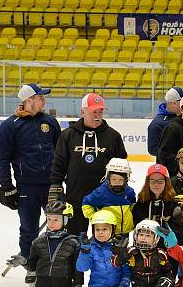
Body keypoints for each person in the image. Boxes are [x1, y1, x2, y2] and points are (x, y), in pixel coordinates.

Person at [0, 83, 61, 282]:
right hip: (27, 186)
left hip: (52, 184)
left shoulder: (50, 122)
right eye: (40, 97)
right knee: (29, 228)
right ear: (28, 100)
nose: (44, 100)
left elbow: (60, 154)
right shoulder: (11, 125)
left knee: (60, 223)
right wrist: (7, 187)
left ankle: (58, 263)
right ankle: (30, 264)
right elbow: (3, 159)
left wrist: (61, 179)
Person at [49, 93, 127, 236]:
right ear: (82, 111)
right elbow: (59, 163)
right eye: (93, 112)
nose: (97, 115)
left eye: (100, 111)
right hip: (76, 197)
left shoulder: (113, 136)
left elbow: (122, 164)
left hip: (105, 197)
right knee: (75, 240)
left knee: (104, 238)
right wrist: (55, 186)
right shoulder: (68, 135)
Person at [28, 201, 81, 287]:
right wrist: (30, 271)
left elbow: (76, 266)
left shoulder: (73, 243)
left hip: (63, 282)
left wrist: (78, 284)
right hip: (43, 281)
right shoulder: (39, 241)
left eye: (56, 220)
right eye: (49, 219)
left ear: (65, 220)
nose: (51, 223)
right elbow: (33, 259)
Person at [76, 210, 131, 287]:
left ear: (113, 229)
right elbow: (82, 268)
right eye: (97, 229)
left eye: (104, 229)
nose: (100, 232)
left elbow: (126, 272)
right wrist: (84, 251)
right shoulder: (90, 248)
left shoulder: (119, 248)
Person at [119, 220, 175, 287]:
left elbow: (168, 271)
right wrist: (122, 253)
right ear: (136, 236)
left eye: (148, 236)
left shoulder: (160, 254)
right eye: (141, 234)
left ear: (156, 238)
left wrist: (168, 279)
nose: (143, 238)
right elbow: (117, 264)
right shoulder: (132, 253)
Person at [80, 158, 136, 237]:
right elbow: (86, 203)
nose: (117, 183)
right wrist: (95, 217)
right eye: (114, 179)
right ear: (108, 178)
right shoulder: (101, 192)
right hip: (106, 232)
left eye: (121, 180)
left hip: (125, 232)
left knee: (121, 249)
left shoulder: (129, 192)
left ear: (126, 179)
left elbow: (132, 206)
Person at [147, 86, 183, 156]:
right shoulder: (157, 124)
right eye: (182, 101)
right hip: (168, 165)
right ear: (174, 103)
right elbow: (152, 149)